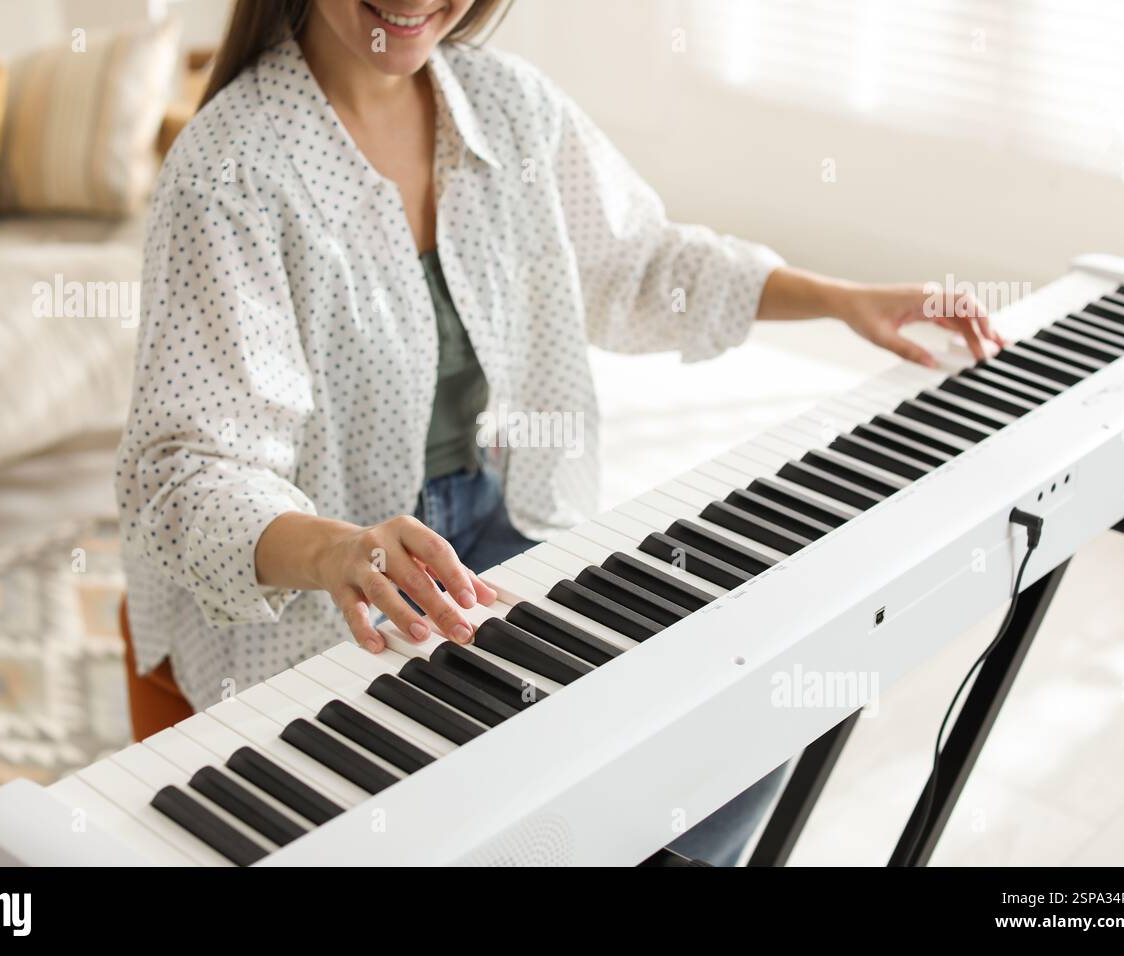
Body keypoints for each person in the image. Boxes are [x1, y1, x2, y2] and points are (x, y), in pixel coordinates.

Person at [115, 0, 1000, 865]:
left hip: (501, 529)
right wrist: (342, 552)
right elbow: (190, 475)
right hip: (319, 595)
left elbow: (639, 263)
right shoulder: (229, 172)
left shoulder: (509, 105)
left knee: (755, 708)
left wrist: (844, 300)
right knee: (525, 807)